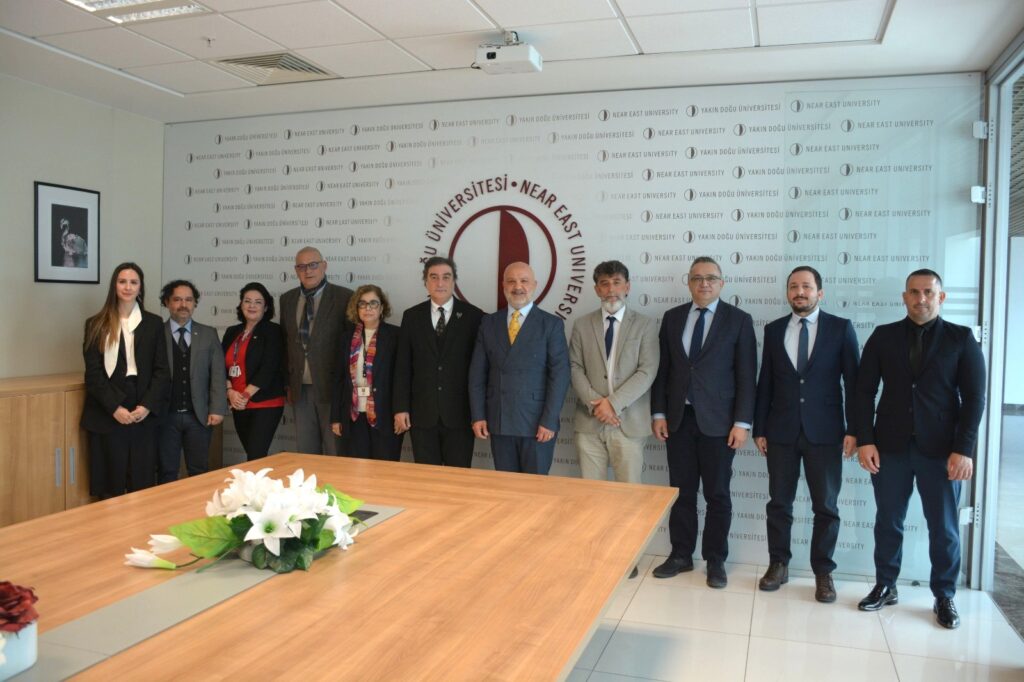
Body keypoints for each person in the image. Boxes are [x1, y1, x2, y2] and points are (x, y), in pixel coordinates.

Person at [854, 269, 986, 629]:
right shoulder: (883, 336)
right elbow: (863, 392)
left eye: (928, 292)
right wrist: (865, 439)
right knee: (888, 521)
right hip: (890, 446)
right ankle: (886, 585)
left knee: (944, 528)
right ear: (904, 297)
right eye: (913, 292)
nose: (920, 298)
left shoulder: (961, 338)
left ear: (941, 297)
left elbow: (975, 398)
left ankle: (944, 595)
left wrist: (964, 449)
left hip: (942, 451)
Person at [753, 266, 860, 602]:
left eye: (806, 286)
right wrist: (760, 428)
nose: (799, 292)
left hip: (826, 432)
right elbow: (766, 382)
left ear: (819, 292)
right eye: (793, 286)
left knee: (825, 506)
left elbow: (854, 385)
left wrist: (855, 429)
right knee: (779, 503)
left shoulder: (841, 329)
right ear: (788, 292)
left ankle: (823, 572)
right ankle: (778, 564)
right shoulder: (773, 330)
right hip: (781, 431)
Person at [650, 257, 757, 588]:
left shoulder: (739, 320)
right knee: (681, 492)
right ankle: (681, 554)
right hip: (679, 420)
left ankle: (715, 559)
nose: (704, 283)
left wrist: (742, 422)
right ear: (689, 283)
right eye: (697, 278)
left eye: (711, 278)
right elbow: (663, 370)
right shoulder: (672, 318)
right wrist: (658, 413)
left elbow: (746, 375)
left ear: (721, 283)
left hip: (720, 424)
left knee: (717, 494)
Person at [469, 262, 571, 475]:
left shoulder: (551, 324)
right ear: (503, 286)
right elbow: (477, 374)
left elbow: (559, 376)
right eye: (511, 281)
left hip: (537, 424)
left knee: (535, 489)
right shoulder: (489, 323)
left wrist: (549, 420)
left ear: (534, 285)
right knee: (506, 488)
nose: (518, 287)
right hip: (499, 420)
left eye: (524, 281)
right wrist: (478, 415)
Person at [81, 262, 169, 498]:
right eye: (122, 282)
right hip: (108, 406)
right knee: (111, 484)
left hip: (143, 405)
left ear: (140, 287)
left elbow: (162, 371)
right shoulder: (96, 323)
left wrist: (147, 406)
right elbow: (93, 374)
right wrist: (114, 408)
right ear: (114, 285)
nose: (128, 287)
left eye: (133, 282)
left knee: (142, 482)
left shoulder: (153, 323)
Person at [570, 260, 659, 484]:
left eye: (617, 282)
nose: (611, 289)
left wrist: (612, 404)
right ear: (597, 289)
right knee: (592, 494)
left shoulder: (645, 325)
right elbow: (574, 367)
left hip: (628, 423)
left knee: (629, 494)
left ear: (627, 287)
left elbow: (647, 371)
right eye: (604, 283)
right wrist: (597, 405)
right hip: (590, 422)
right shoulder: (581, 324)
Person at [393, 256, 483, 467]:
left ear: (454, 281)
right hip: (422, 415)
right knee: (426, 479)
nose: (440, 283)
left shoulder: (474, 316)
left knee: (458, 477)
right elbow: (403, 367)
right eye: (433, 277)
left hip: (460, 415)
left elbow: (480, 370)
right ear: (425, 281)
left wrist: (479, 413)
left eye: (446, 277)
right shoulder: (412, 316)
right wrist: (400, 408)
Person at [280, 246, 353, 455]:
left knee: (335, 450)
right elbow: (285, 343)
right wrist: (287, 383)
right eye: (301, 266)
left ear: (324, 266)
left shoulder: (344, 297)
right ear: (296, 270)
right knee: (306, 450)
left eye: (313, 265)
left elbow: (352, 345)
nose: (308, 271)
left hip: (332, 388)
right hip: (299, 389)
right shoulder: (287, 299)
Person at [156, 280, 227, 483]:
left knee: (199, 470)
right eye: (177, 299)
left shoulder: (208, 334)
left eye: (188, 300)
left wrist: (217, 408)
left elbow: (218, 373)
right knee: (166, 471)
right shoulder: (156, 333)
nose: (183, 305)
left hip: (199, 416)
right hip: (165, 416)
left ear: (195, 303)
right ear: (167, 302)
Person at [331, 285, 403, 460]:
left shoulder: (396, 336)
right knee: (357, 468)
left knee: (384, 468)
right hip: (353, 416)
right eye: (362, 304)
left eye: (373, 303)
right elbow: (338, 379)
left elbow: (401, 378)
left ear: (382, 307)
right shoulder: (346, 338)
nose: (368, 308)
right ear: (356, 308)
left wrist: (401, 411)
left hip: (385, 416)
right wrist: (336, 417)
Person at [221, 282, 286, 460]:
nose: (252, 306)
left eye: (258, 302)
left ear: (266, 307)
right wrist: (230, 392)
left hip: (264, 402)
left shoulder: (272, 331)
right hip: (237, 402)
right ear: (241, 304)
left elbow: (269, 367)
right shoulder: (232, 331)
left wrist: (244, 396)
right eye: (247, 301)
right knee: (252, 456)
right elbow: (220, 365)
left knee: (256, 455)